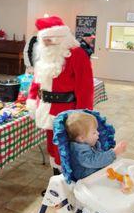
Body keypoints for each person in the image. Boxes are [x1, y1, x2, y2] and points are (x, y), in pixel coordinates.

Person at [65, 111, 134, 213]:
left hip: (98, 178)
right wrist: (114, 153)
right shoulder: (79, 151)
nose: (97, 134)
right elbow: (94, 160)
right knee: (105, 206)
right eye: (94, 132)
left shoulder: (89, 143)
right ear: (81, 138)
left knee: (123, 195)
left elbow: (99, 156)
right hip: (88, 184)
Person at [26, 15, 94, 172]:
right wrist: (31, 100)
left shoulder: (77, 54)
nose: (47, 44)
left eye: (50, 40)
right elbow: (36, 81)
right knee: (52, 147)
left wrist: (82, 116)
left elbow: (85, 88)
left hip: (66, 112)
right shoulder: (44, 56)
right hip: (45, 109)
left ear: (62, 37)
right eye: (44, 40)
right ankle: (56, 182)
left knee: (64, 149)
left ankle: (66, 184)